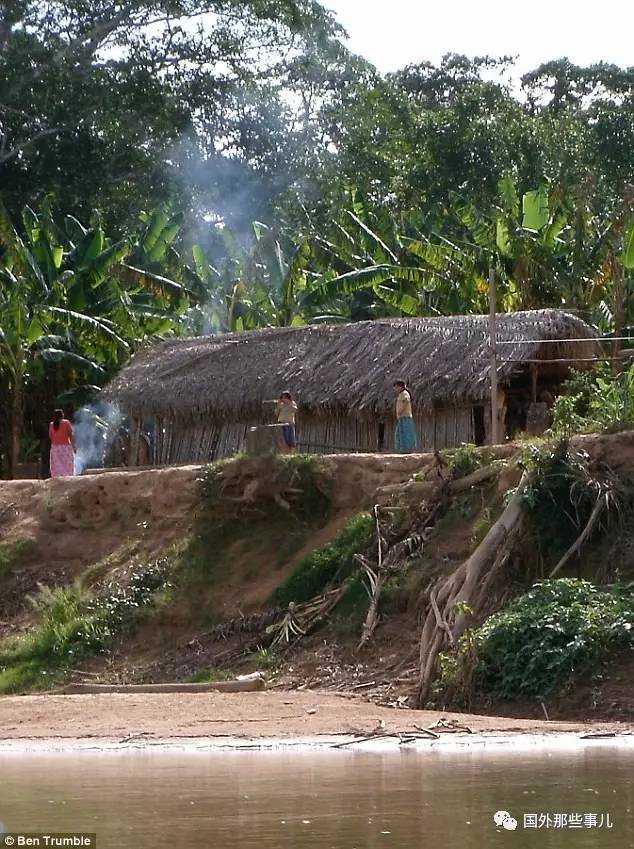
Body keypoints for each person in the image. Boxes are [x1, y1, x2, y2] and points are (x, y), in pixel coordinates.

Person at [48, 409, 75, 478]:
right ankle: (67, 479)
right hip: (66, 448)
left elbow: (51, 436)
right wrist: (74, 446)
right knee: (67, 466)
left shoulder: (51, 424)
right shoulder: (66, 423)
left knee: (57, 466)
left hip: (55, 448)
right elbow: (71, 435)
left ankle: (57, 479)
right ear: (62, 415)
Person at [393, 380, 418, 453]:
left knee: (407, 433)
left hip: (405, 417)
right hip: (401, 417)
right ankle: (403, 449)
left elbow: (406, 401)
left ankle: (408, 449)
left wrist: (400, 411)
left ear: (400, 387)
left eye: (396, 387)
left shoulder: (405, 394)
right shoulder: (401, 394)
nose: (395, 389)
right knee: (400, 434)